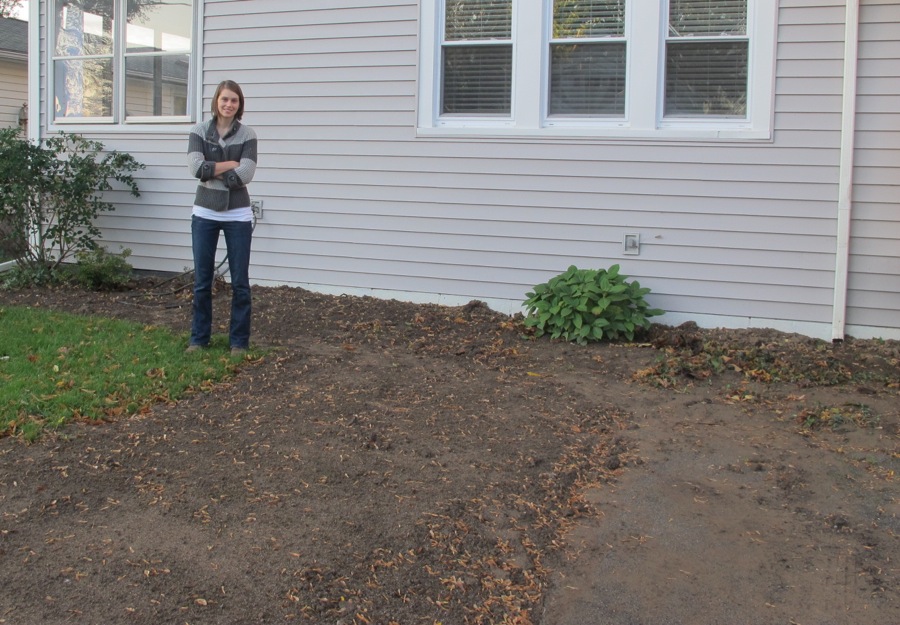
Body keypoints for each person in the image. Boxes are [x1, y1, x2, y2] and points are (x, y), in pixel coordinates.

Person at [186, 80, 258, 354]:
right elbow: (195, 167)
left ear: (239, 105)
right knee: (203, 280)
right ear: (216, 100)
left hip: (237, 214)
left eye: (235, 101)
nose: (229, 105)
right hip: (204, 212)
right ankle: (198, 339)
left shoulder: (248, 134)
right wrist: (230, 165)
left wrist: (212, 169)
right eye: (225, 99)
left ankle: (238, 342)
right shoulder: (199, 131)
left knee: (240, 281)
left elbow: (248, 173)